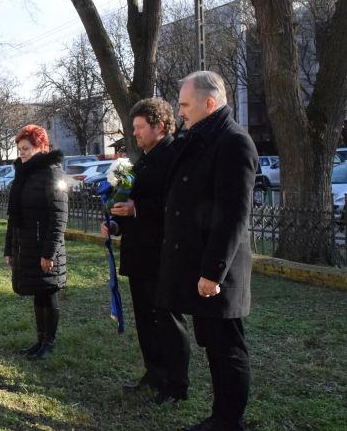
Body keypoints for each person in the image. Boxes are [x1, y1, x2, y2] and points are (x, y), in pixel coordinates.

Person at [157, 71, 258, 431]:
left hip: (219, 272)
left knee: (227, 348)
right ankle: (221, 417)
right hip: (199, 265)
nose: (179, 112)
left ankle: (229, 422)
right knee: (214, 346)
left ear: (209, 104)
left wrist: (213, 271)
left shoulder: (233, 141)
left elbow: (233, 215)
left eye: (185, 105)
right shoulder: (203, 138)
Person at [100, 98, 191, 404]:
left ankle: (177, 384)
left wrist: (137, 208)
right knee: (145, 318)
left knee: (167, 318)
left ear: (159, 127)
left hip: (164, 254)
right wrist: (115, 225)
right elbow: (129, 198)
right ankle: (154, 373)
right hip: (139, 254)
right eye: (134, 127)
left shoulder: (175, 155)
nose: (135, 133)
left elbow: (177, 204)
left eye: (140, 127)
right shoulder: (143, 159)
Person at [4, 125, 68, 360]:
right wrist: (9, 248)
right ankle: (39, 340)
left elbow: (59, 216)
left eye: (26, 148)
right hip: (27, 244)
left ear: (41, 147)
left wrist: (49, 252)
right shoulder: (24, 173)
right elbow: (14, 215)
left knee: (48, 290)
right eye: (19, 148)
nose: (21, 153)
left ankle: (49, 342)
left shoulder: (53, 173)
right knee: (38, 292)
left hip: (45, 247)